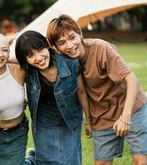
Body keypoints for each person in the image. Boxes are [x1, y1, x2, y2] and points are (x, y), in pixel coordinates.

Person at [47, 14, 147, 165]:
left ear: (80, 34)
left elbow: (131, 79)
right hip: (101, 115)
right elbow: (31, 54)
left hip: (130, 107)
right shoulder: (63, 60)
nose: (69, 45)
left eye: (72, 37)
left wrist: (125, 117)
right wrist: (88, 120)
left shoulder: (101, 48)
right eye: (62, 42)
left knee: (141, 160)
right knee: (101, 163)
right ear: (56, 47)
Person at [15, 30, 91, 165]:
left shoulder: (71, 63)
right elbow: (6, 59)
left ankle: (32, 158)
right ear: (25, 60)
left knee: (71, 161)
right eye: (30, 55)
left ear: (47, 45)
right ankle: (33, 159)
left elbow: (82, 92)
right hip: (44, 119)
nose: (38, 58)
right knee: (47, 161)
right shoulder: (29, 70)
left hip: (70, 118)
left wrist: (89, 120)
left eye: (39, 50)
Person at [0, 33, 35, 165]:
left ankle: (31, 160)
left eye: (4, 50)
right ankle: (31, 160)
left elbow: (29, 60)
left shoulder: (18, 71)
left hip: (18, 132)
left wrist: (7, 58)